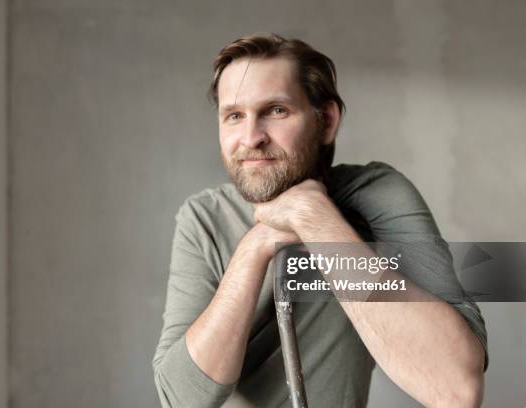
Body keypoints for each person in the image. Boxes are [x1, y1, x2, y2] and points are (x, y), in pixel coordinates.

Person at [152, 33, 488, 407]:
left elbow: (456, 386)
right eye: (234, 116)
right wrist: (257, 245)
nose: (251, 137)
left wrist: (313, 217)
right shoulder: (203, 219)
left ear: (326, 121)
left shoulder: (375, 195)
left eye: (276, 110)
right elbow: (180, 399)